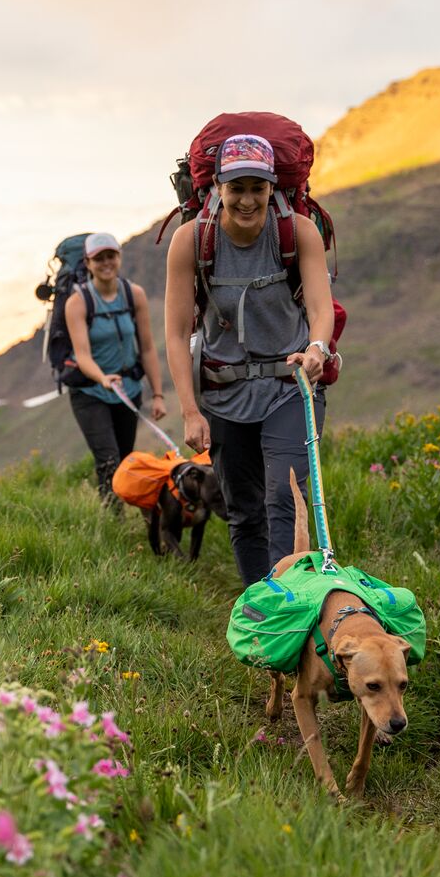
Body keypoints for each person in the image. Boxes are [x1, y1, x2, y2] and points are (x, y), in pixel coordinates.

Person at [162, 133, 336, 585]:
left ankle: (288, 605)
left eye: (257, 188)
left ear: (272, 187)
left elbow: (320, 308)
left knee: (285, 496)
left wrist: (317, 349)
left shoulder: (297, 231)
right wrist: (189, 411)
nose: (246, 199)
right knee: (242, 509)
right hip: (223, 396)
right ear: (217, 187)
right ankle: (261, 609)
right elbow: (177, 333)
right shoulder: (191, 241)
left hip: (289, 387)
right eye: (236, 187)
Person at [65, 232, 166, 503]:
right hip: (91, 393)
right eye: (99, 258)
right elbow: (82, 355)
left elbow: (146, 349)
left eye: (111, 256)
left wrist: (157, 395)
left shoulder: (134, 295)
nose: (106, 262)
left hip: (128, 390)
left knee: (123, 460)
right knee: (108, 460)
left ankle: (123, 512)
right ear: (87, 263)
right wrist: (102, 378)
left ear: (119, 257)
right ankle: (113, 522)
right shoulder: (77, 303)